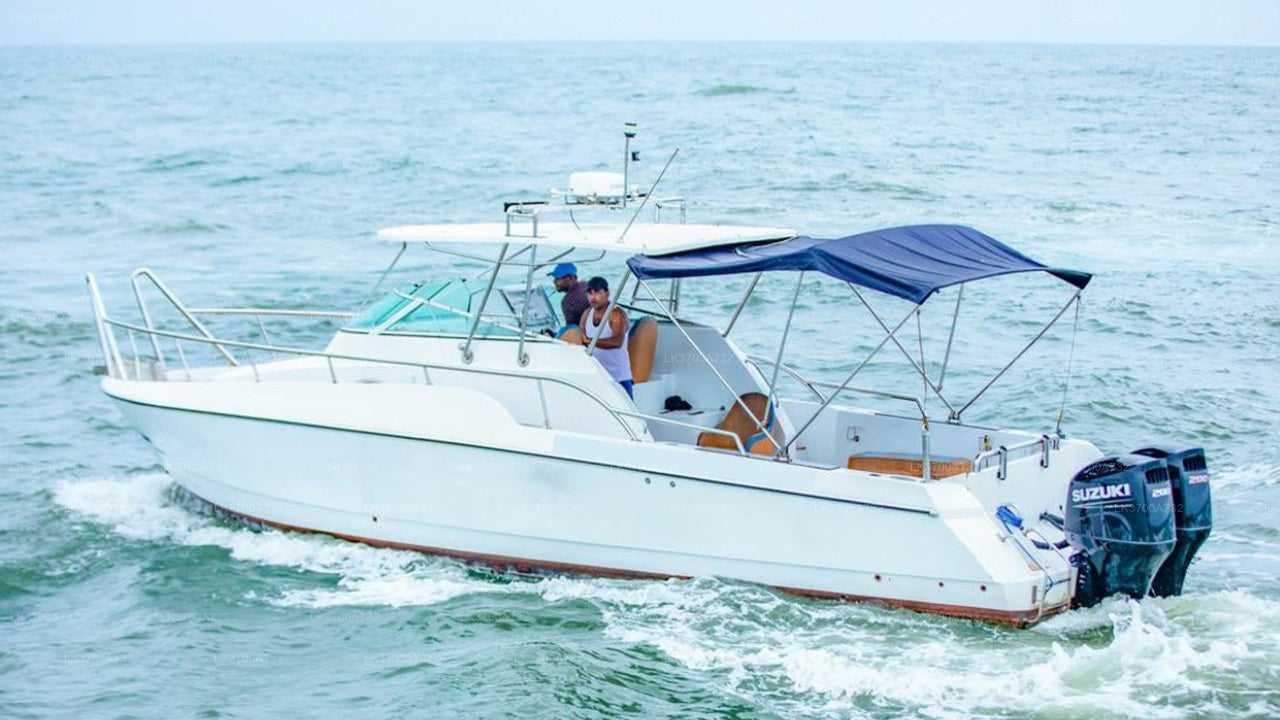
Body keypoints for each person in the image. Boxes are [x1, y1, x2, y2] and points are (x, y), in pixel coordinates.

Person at [579, 276, 633, 398]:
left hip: (618, 378)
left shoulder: (617, 313)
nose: (593, 297)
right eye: (590, 293)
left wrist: (591, 341)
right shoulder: (586, 314)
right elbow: (581, 342)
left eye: (598, 293)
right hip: (596, 376)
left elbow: (617, 342)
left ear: (607, 293)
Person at [548, 263, 589, 334]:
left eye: (557, 278)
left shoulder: (567, 302)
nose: (554, 281)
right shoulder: (585, 284)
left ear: (570, 278)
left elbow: (571, 331)